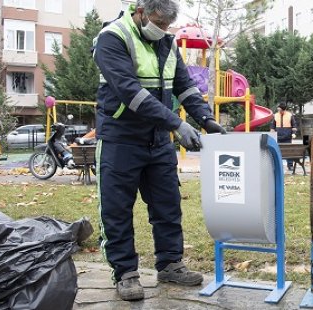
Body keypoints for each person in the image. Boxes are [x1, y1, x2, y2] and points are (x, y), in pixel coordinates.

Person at [93, 0, 226, 301]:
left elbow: (185, 86)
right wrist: (176, 124)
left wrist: (205, 119)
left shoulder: (168, 43)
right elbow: (130, 91)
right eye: (158, 22)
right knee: (116, 210)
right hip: (120, 140)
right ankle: (125, 273)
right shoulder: (112, 37)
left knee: (167, 205)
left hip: (157, 141)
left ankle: (170, 264)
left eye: (168, 25)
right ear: (140, 11)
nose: (163, 30)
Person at [270, 102, 298, 170]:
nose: (278, 111)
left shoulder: (290, 115)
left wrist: (294, 133)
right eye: (278, 109)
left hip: (287, 137)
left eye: (279, 109)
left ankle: (290, 165)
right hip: (278, 137)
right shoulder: (276, 115)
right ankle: (277, 166)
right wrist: (272, 135)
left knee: (289, 152)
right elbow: (272, 127)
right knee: (277, 152)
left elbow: (294, 126)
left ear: (283, 110)